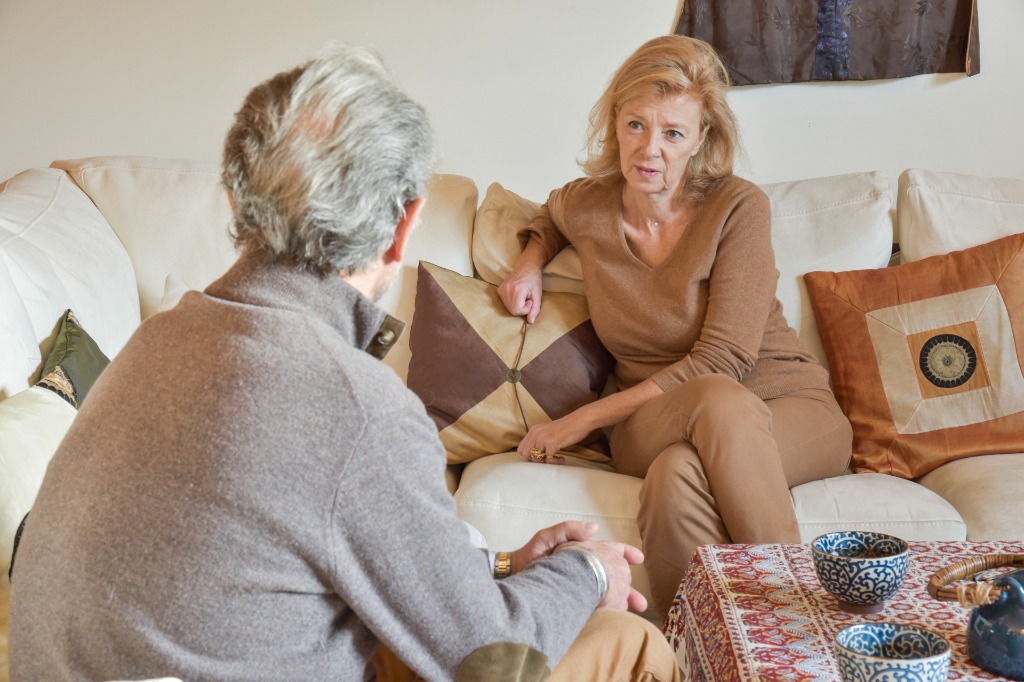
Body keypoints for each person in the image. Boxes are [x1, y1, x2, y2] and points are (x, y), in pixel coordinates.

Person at [8, 44, 681, 682]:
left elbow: (273, 551)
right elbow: (489, 663)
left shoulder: (156, 342)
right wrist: (587, 574)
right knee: (629, 644)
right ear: (403, 228)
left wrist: (506, 566)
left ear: (238, 201)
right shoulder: (355, 406)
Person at [498, 35, 853, 617]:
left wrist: (579, 422)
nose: (649, 150)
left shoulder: (738, 208)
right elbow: (550, 215)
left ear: (702, 140)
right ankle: (798, 632)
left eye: (673, 133)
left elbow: (723, 364)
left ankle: (687, 647)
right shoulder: (589, 205)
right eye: (636, 125)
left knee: (676, 473)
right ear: (614, 121)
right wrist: (528, 263)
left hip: (789, 406)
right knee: (704, 412)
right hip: (653, 420)